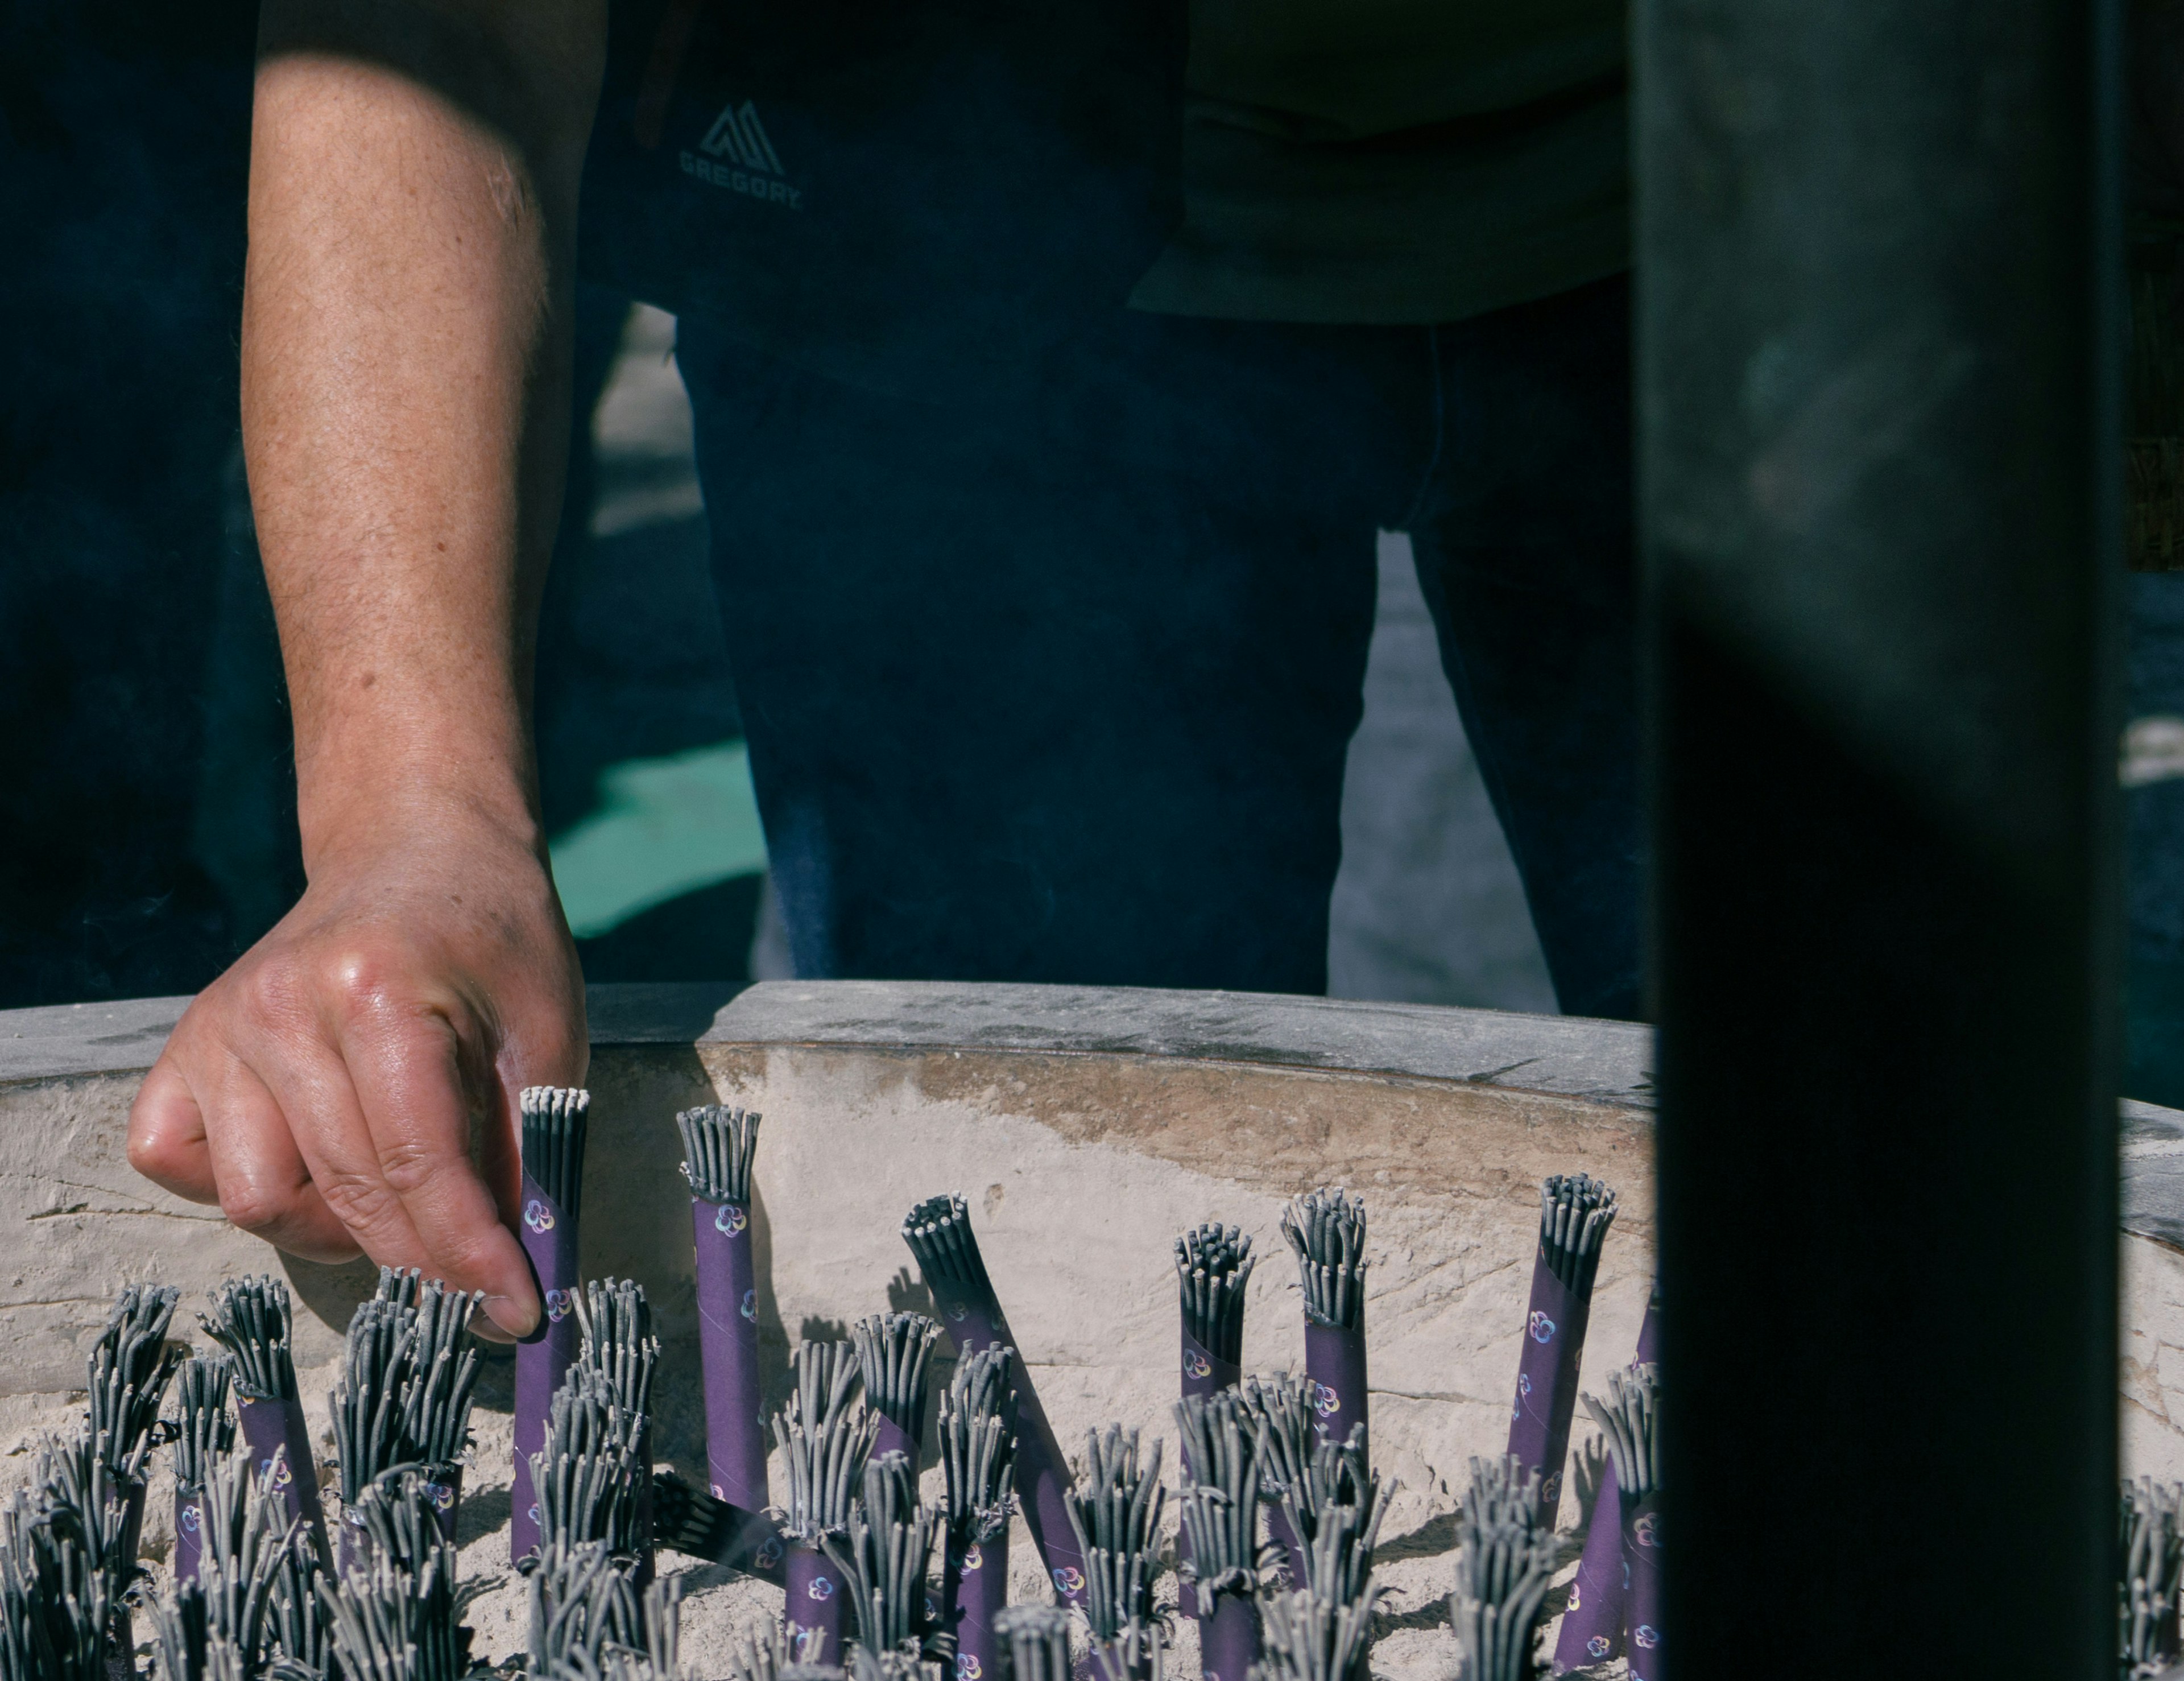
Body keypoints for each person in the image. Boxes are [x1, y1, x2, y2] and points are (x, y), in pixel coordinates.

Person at [129, 0, 1637, 1333]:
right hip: (951, 246)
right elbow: (444, 27)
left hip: (1746, 210)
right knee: (1038, 1263)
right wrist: (414, 820)